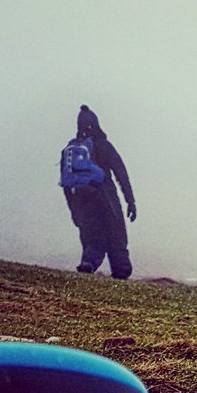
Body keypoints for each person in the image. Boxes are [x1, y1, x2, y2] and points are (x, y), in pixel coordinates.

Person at [62, 105, 136, 279]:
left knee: (92, 238)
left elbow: (66, 183)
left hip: (81, 201)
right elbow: (121, 173)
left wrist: (74, 211)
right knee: (116, 237)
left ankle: (88, 264)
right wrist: (130, 201)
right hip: (106, 198)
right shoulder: (103, 145)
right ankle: (121, 272)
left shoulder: (71, 150)